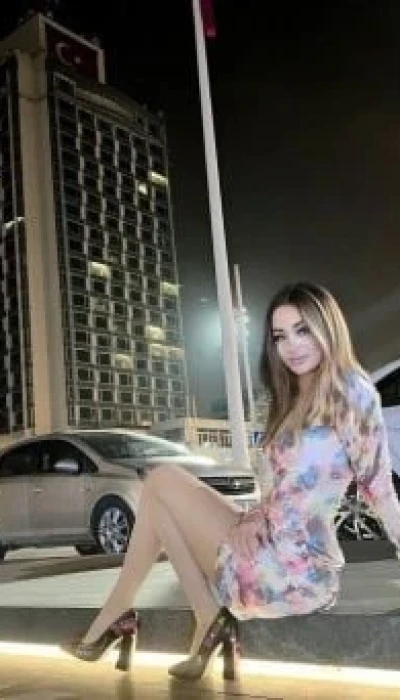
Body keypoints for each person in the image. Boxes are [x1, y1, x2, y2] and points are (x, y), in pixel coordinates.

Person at [63, 281, 400, 680]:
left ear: (328, 328)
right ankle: (198, 620)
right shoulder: (292, 395)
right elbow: (280, 488)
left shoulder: (353, 392)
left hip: (295, 571)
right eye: (280, 336)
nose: (291, 346)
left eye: (303, 330)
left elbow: (379, 487)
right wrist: (255, 517)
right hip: (267, 539)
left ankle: (131, 617)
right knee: (158, 499)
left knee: (162, 480)